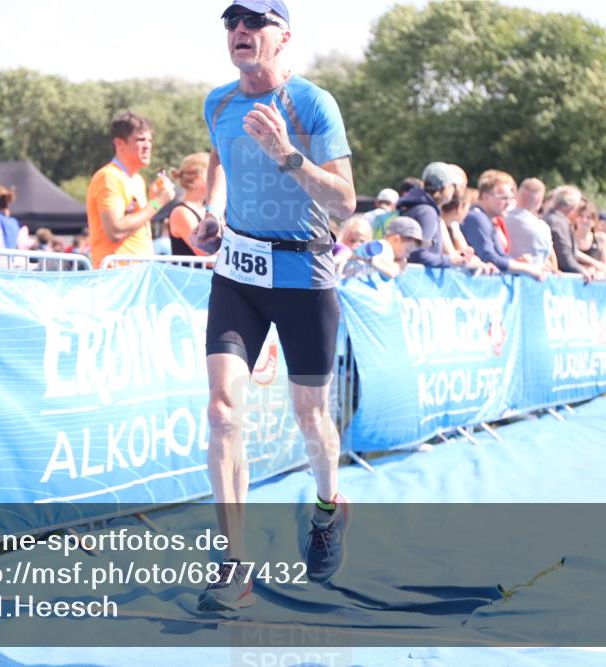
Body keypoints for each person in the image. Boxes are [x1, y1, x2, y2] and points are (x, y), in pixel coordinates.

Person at [190, 0, 356, 612]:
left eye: (254, 23)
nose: (240, 31)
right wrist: (213, 211)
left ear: (283, 36)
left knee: (310, 417)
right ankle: (233, 562)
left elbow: (346, 203)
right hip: (237, 270)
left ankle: (328, 505)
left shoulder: (312, 104)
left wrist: (290, 154)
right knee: (222, 410)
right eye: (233, 22)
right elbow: (220, 156)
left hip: (305, 272)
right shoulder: (218, 102)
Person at [86, 111, 176, 268]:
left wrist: (153, 202)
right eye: (141, 140)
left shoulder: (137, 179)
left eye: (149, 140)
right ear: (119, 144)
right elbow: (115, 231)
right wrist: (157, 202)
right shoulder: (108, 177)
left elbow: (135, 225)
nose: (148, 145)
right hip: (117, 277)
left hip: (136, 274)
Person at [461, 170, 543, 279]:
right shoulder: (477, 218)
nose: (509, 203)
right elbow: (489, 257)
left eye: (511, 198)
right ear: (485, 197)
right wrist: (528, 269)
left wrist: (520, 264)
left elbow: (500, 255)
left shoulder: (489, 219)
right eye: (504, 198)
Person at [544, 185, 597, 281]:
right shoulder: (558, 223)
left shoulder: (551, 218)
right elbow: (565, 259)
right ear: (572, 207)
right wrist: (584, 272)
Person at [505, 178, 554, 271]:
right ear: (538, 201)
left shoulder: (499, 220)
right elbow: (547, 258)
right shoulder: (543, 228)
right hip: (535, 280)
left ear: (517, 195)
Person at [169, 152, 211, 257]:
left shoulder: (208, 209)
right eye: (211, 172)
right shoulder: (181, 212)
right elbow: (205, 253)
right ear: (197, 178)